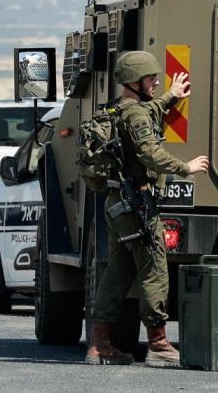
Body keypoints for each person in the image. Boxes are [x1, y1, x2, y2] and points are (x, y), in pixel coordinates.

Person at [85, 50, 210, 368]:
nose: (156, 81)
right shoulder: (136, 115)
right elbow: (150, 152)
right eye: (151, 78)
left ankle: (100, 345)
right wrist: (186, 166)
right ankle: (158, 344)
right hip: (137, 203)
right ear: (134, 81)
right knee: (154, 269)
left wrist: (170, 96)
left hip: (116, 204)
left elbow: (145, 113)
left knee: (117, 273)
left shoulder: (117, 109)